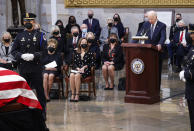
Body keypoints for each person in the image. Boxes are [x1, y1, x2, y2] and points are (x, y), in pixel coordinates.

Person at [11, 13, 48, 128]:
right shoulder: (19, 36)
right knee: (23, 92)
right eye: (26, 21)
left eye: (31, 21)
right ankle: (25, 113)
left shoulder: (41, 35)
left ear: (34, 22)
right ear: (23, 23)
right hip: (24, 68)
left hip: (36, 68)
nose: (28, 23)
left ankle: (42, 113)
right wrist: (21, 56)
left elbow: (45, 51)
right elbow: (13, 51)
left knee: (40, 92)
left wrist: (34, 56)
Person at [134, 10, 166, 87]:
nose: (150, 21)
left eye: (152, 19)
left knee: (156, 71)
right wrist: (132, 43)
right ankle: (147, 86)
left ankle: (157, 87)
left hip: (156, 51)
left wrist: (160, 44)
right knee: (147, 70)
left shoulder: (162, 25)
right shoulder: (146, 24)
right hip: (147, 52)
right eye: (149, 19)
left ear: (156, 17)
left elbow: (163, 37)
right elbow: (139, 34)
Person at [69, 38, 95, 102]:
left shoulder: (90, 52)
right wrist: (77, 68)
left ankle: (77, 94)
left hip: (86, 70)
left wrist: (85, 67)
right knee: (72, 75)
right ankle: (73, 94)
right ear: (80, 44)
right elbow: (74, 63)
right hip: (77, 69)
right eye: (82, 42)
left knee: (77, 75)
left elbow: (92, 63)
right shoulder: (76, 52)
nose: (84, 44)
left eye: (85, 42)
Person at [179, 24, 194, 131]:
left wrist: (186, 74)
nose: (189, 35)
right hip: (190, 89)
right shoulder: (192, 48)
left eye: (192, 33)